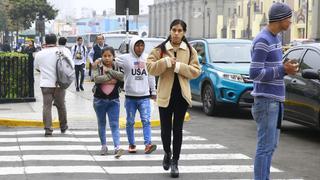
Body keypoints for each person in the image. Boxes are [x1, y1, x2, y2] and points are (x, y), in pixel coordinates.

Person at [249, 3, 298, 180]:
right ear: (280, 19)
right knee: (265, 147)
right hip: (266, 101)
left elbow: (274, 68)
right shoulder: (263, 40)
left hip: (275, 100)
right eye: (289, 18)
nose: (291, 22)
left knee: (271, 146)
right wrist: (283, 70)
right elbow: (254, 73)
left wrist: (286, 67)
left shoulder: (276, 38)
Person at [146, 19, 200, 178]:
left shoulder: (190, 50)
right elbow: (150, 68)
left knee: (177, 130)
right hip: (165, 96)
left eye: (179, 31)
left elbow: (196, 71)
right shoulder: (160, 49)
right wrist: (165, 62)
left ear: (184, 33)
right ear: (170, 31)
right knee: (165, 130)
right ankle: (167, 153)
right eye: (174, 30)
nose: (176, 33)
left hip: (182, 96)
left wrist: (178, 67)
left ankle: (175, 162)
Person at [115, 36, 157, 155]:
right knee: (130, 122)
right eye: (137, 45)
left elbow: (151, 76)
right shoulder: (126, 58)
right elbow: (113, 59)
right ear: (133, 46)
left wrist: (153, 91)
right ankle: (131, 144)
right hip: (130, 97)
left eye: (141, 45)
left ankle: (148, 144)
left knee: (146, 121)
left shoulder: (147, 58)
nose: (140, 48)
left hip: (144, 97)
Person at [34, 34, 74, 136]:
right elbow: (70, 66)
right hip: (59, 84)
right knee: (61, 105)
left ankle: (48, 129)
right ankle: (63, 126)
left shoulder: (39, 54)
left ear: (45, 42)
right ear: (56, 41)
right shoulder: (62, 51)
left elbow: (37, 67)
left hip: (46, 84)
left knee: (46, 107)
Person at [92, 46, 124, 158]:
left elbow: (122, 77)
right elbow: (96, 79)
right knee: (101, 123)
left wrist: (109, 71)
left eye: (109, 56)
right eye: (104, 56)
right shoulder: (97, 65)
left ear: (113, 56)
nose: (107, 58)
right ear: (101, 56)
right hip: (99, 99)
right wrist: (111, 78)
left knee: (114, 124)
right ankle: (104, 146)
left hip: (114, 99)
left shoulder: (117, 65)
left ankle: (117, 147)